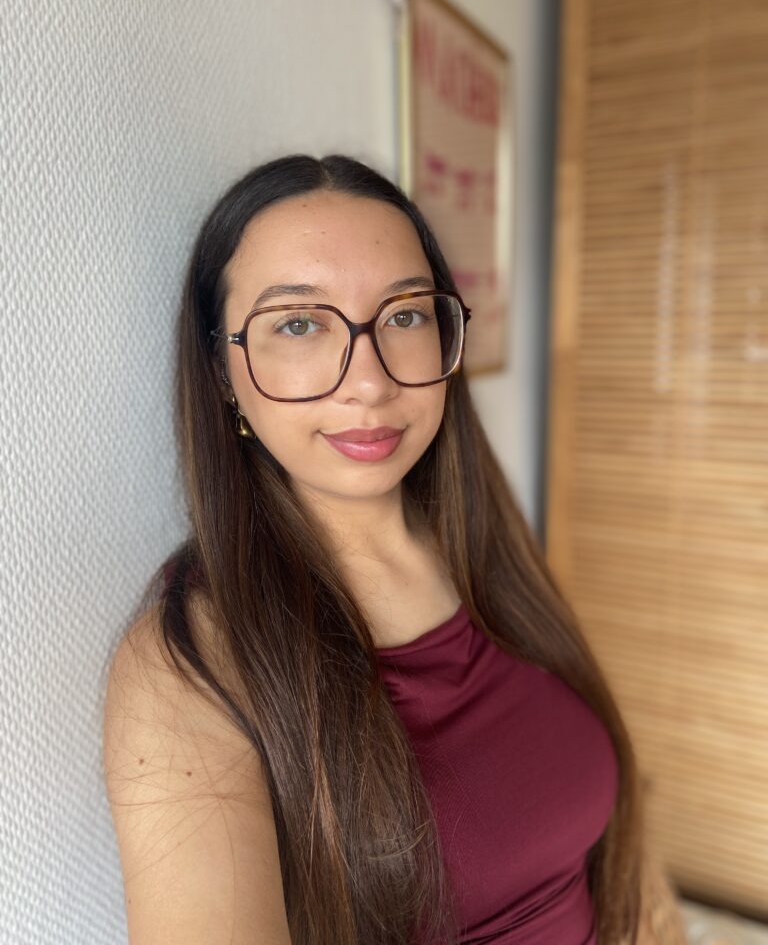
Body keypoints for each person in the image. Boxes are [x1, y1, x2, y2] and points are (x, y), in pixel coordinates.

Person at [102, 153, 646, 945]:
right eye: (299, 324)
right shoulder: (192, 661)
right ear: (222, 369)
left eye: (405, 315)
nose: (369, 382)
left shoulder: (483, 548)